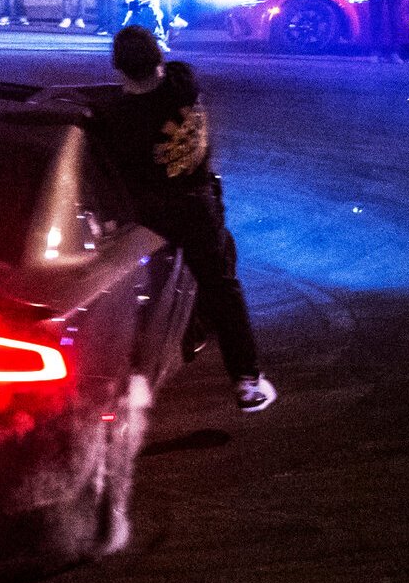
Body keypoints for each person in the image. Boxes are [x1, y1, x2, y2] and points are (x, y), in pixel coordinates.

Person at [89, 26, 276, 417]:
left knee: (142, 296)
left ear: (120, 71)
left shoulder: (121, 119)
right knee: (223, 289)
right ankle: (246, 381)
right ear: (159, 59)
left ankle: (133, 380)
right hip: (198, 206)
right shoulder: (183, 81)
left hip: (151, 217)